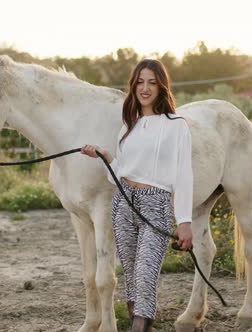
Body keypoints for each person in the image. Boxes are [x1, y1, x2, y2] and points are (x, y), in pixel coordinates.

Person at [81, 59, 193, 331]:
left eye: (152, 82)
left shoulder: (176, 125)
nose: (145, 88)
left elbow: (184, 174)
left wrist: (185, 220)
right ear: (133, 86)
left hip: (156, 204)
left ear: (161, 87)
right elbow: (118, 175)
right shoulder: (128, 125)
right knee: (132, 279)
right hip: (123, 204)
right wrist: (106, 157)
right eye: (140, 82)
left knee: (145, 276)